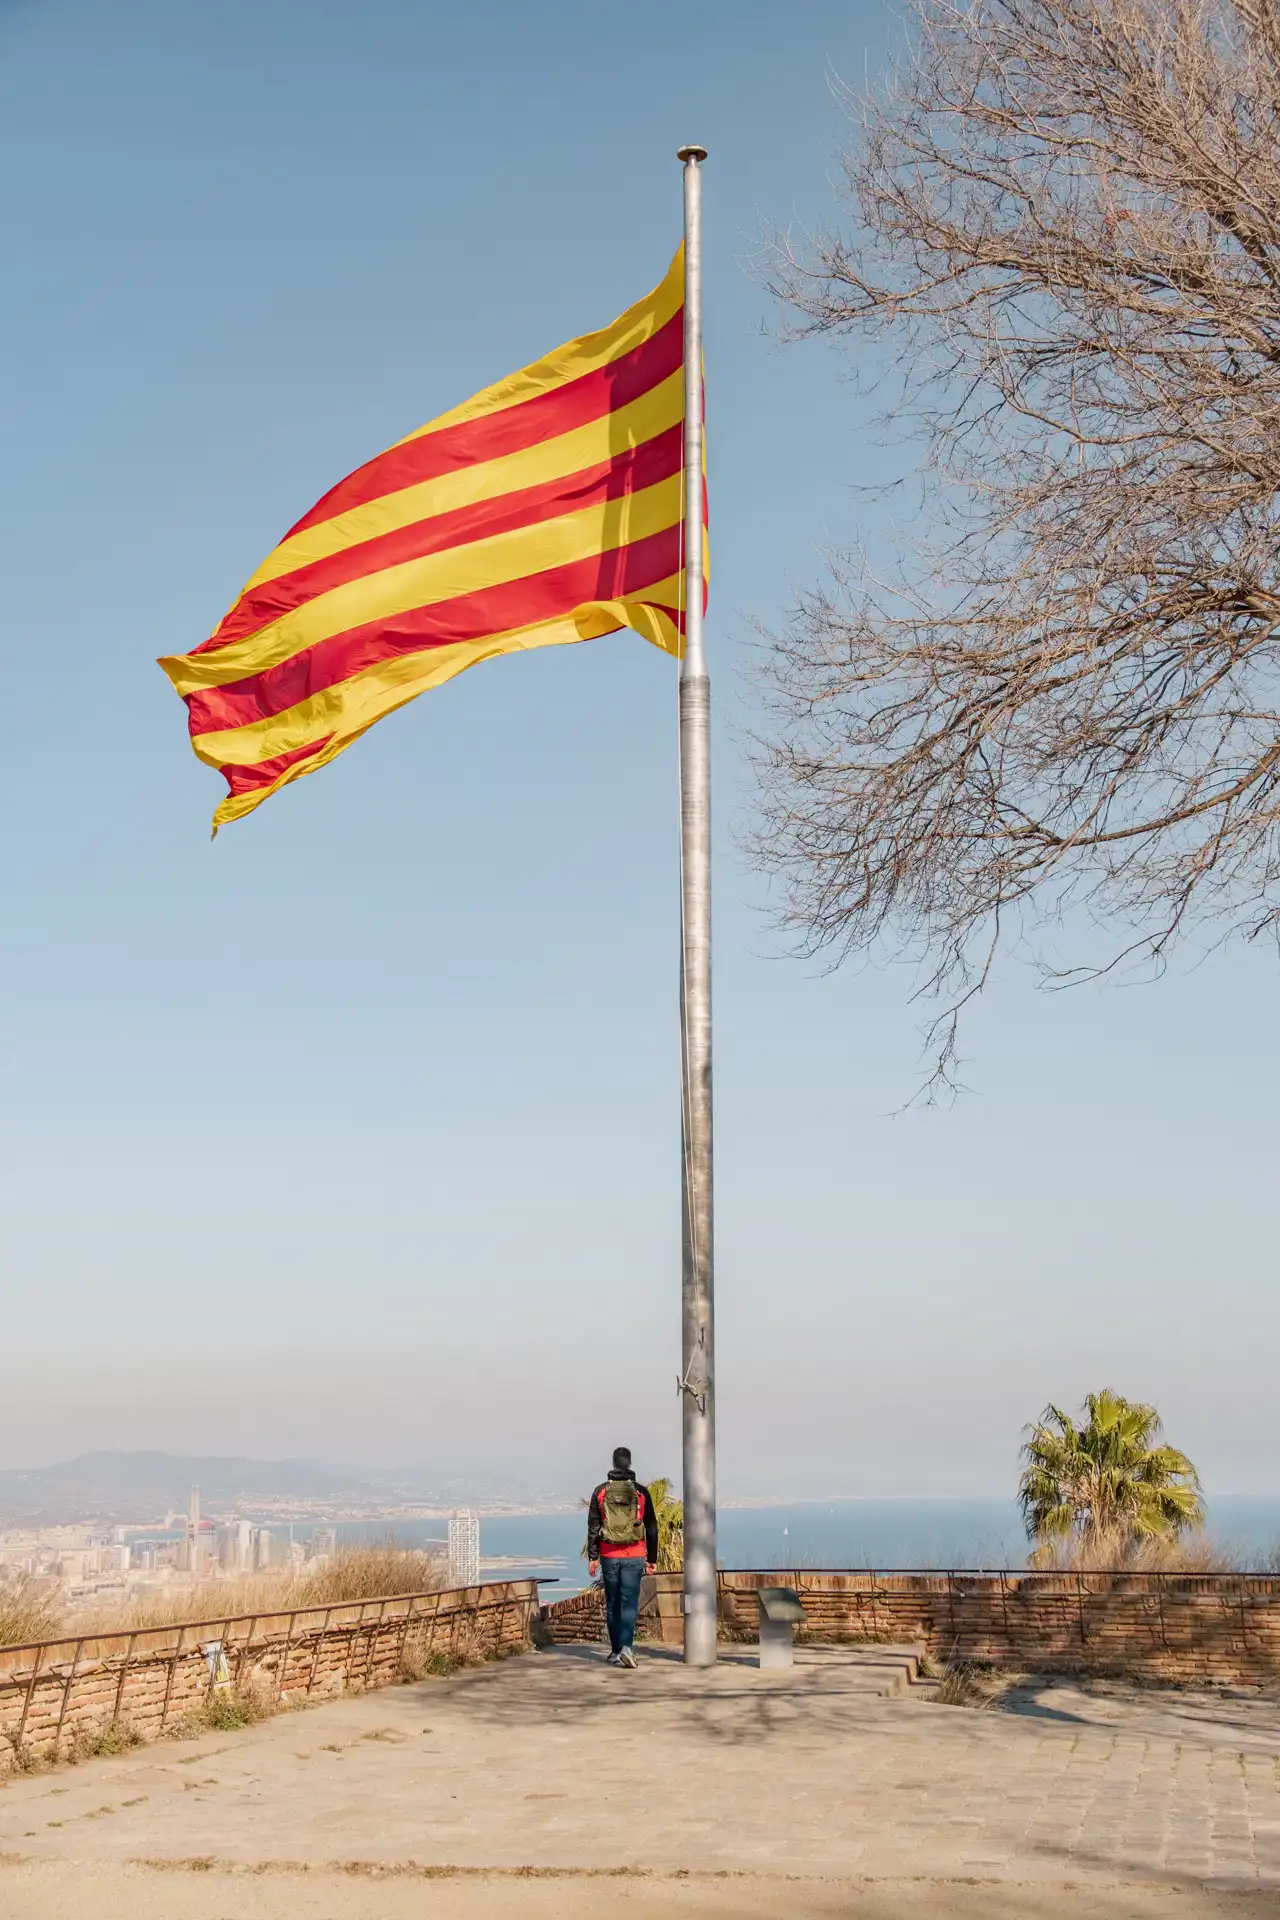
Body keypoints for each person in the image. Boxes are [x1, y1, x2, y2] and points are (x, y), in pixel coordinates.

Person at [586, 1446, 659, 1668]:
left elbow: (593, 1526)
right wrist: (652, 1559)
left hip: (609, 1554)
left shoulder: (600, 1491)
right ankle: (627, 1647)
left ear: (613, 1463)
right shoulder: (641, 1492)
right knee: (629, 1602)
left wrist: (593, 1557)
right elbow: (652, 1527)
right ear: (629, 1463)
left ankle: (616, 1650)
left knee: (613, 1602)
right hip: (634, 1554)